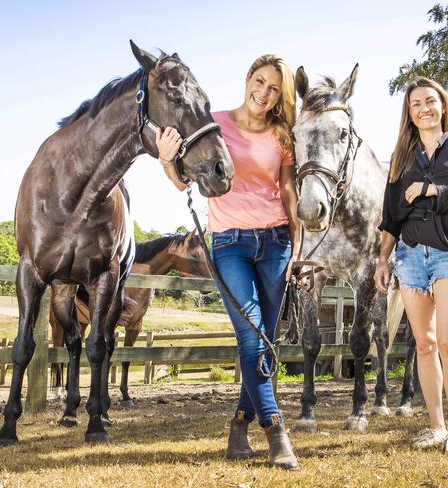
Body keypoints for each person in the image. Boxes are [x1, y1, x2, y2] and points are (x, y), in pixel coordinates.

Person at [156, 55, 301, 470]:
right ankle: (276, 430)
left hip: (276, 243)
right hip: (229, 244)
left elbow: (288, 193)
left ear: (280, 96)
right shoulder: (213, 121)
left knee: (265, 342)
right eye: (259, 82)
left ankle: (239, 421)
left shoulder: (281, 135)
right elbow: (183, 178)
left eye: (274, 88)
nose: (264, 93)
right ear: (247, 79)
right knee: (252, 337)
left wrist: (298, 247)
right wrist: (168, 158)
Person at [374, 77, 448, 455]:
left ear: (442, 105)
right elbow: (390, 217)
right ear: (408, 114)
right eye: (415, 105)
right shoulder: (402, 158)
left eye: (430, 101)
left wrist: (434, 189)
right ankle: (436, 426)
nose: (423, 109)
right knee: (424, 344)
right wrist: (382, 259)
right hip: (409, 255)